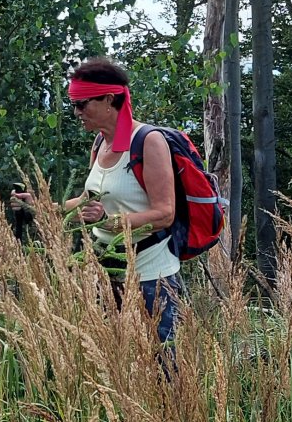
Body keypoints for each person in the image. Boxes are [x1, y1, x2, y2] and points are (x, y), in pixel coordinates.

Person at [21, 57, 183, 343]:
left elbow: (165, 214)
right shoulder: (100, 143)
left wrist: (109, 221)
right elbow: (89, 200)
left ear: (109, 99)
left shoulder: (148, 141)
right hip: (104, 270)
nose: (76, 112)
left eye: (82, 104)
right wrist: (41, 206)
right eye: (73, 104)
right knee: (111, 359)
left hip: (150, 275)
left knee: (160, 363)